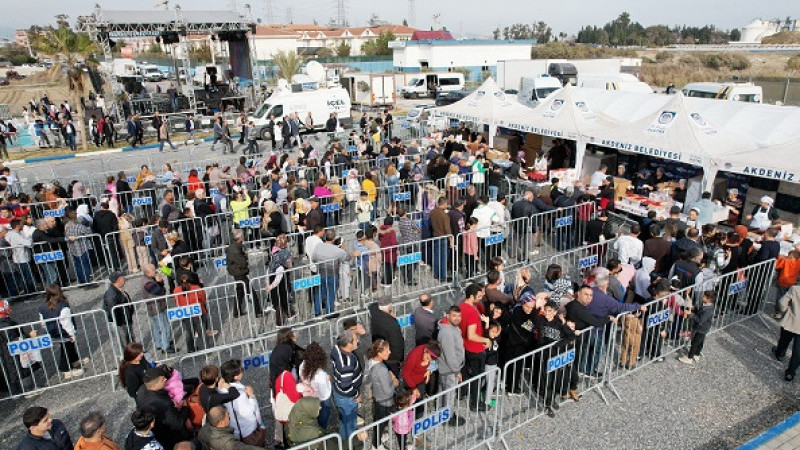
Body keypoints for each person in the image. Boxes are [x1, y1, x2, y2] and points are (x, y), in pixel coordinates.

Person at [134, 366, 192, 450]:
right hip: (169, 436)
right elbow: (178, 423)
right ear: (154, 385)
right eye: (162, 379)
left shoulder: (142, 390)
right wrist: (185, 408)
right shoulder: (164, 404)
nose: (165, 379)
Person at [38, 285, 85, 379]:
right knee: (66, 348)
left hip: (52, 330)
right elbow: (66, 322)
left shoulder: (42, 306)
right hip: (64, 331)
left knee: (68, 347)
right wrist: (71, 334)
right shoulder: (63, 305)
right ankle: (66, 369)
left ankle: (74, 360)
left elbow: (42, 322)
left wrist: (48, 329)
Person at [459, 283, 491, 411]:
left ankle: (462, 393)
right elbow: (471, 335)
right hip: (475, 348)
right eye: (478, 296)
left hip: (465, 346)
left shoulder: (461, 306)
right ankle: (475, 403)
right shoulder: (472, 311)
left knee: (466, 372)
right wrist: (486, 340)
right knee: (477, 377)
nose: (480, 299)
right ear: (471, 296)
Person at [218, 359, 264, 445]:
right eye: (241, 370)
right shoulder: (240, 394)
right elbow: (248, 413)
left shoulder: (221, 390)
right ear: (235, 376)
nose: (242, 371)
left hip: (234, 432)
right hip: (248, 431)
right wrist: (251, 396)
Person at [330, 330, 362, 442]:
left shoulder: (336, 348)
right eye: (355, 339)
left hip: (338, 392)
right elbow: (346, 386)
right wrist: (357, 395)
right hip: (348, 397)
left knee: (344, 419)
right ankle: (350, 442)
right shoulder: (347, 363)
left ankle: (342, 439)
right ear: (348, 344)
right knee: (350, 422)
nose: (358, 340)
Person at [366, 339, 398, 448]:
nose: (390, 352)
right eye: (387, 351)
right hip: (384, 400)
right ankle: (376, 445)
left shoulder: (372, 361)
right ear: (379, 353)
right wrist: (394, 382)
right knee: (380, 422)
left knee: (379, 420)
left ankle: (379, 438)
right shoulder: (381, 369)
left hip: (377, 396)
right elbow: (388, 390)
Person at [226, 229, 261, 317]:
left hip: (237, 272)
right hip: (239, 273)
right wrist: (245, 258)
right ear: (240, 237)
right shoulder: (235, 249)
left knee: (240, 292)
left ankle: (236, 312)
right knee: (251, 292)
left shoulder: (235, 246)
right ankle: (258, 312)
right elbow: (242, 263)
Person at [298, 342, 332, 429]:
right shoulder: (320, 374)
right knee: (322, 425)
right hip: (321, 402)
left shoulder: (302, 365)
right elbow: (325, 395)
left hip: (308, 399)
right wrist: (329, 381)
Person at [197, 406, 262, 450]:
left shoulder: (203, 429)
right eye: (228, 416)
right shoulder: (226, 442)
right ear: (221, 423)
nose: (229, 417)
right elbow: (243, 448)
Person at [678, 290, 715, 365]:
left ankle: (689, 357)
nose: (702, 297)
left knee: (695, 343)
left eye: (704, 296)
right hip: (704, 328)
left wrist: (691, 314)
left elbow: (700, 319)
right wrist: (693, 309)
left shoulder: (707, 310)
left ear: (708, 299)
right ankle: (697, 354)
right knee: (700, 342)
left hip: (701, 328)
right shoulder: (708, 306)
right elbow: (699, 312)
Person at [369, 295, 405, 371]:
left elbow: (373, 305)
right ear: (389, 307)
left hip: (378, 348)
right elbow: (397, 344)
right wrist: (400, 359)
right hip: (391, 357)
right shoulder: (392, 323)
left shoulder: (374, 311)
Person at [773, 285, 800, 381]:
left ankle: (779, 354)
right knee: (798, 350)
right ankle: (790, 372)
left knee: (784, 339)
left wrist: (783, 311)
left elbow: (782, 302)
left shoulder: (795, 289)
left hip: (791, 320)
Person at [103, 271, 135, 348]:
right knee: (125, 342)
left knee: (130, 339)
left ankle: (134, 354)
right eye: (122, 277)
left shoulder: (119, 290)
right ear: (118, 280)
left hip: (126, 320)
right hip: (121, 323)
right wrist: (121, 323)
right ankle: (128, 358)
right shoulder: (111, 294)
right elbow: (112, 311)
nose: (124, 278)